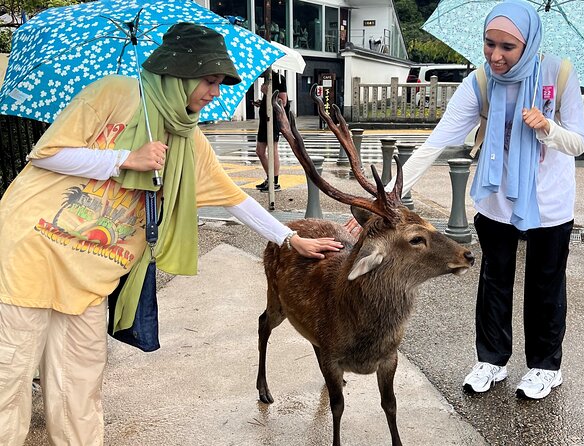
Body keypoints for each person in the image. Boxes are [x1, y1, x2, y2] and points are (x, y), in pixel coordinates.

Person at [0, 23, 342, 445]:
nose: (216, 92)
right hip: (30, 251)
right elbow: (47, 153)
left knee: (80, 385)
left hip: (89, 274)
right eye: (211, 80)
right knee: (8, 377)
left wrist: (289, 239)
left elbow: (234, 198)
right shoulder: (112, 94)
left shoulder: (187, 139)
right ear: (182, 71)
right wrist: (127, 158)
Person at [351, 0, 584, 399]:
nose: (495, 56)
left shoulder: (559, 74)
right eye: (489, 43)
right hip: (497, 200)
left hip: (549, 203)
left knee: (545, 285)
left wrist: (547, 128)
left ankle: (545, 367)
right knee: (494, 281)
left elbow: (580, 142)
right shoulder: (480, 82)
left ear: (528, 44)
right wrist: (384, 197)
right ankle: (492, 360)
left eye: (507, 48)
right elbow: (437, 141)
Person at [254, 70, 288, 192]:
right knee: (260, 151)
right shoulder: (267, 79)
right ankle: (270, 178)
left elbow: (282, 102)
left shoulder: (279, 78)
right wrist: (262, 102)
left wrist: (267, 92)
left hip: (273, 119)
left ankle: (275, 182)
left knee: (272, 149)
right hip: (264, 119)